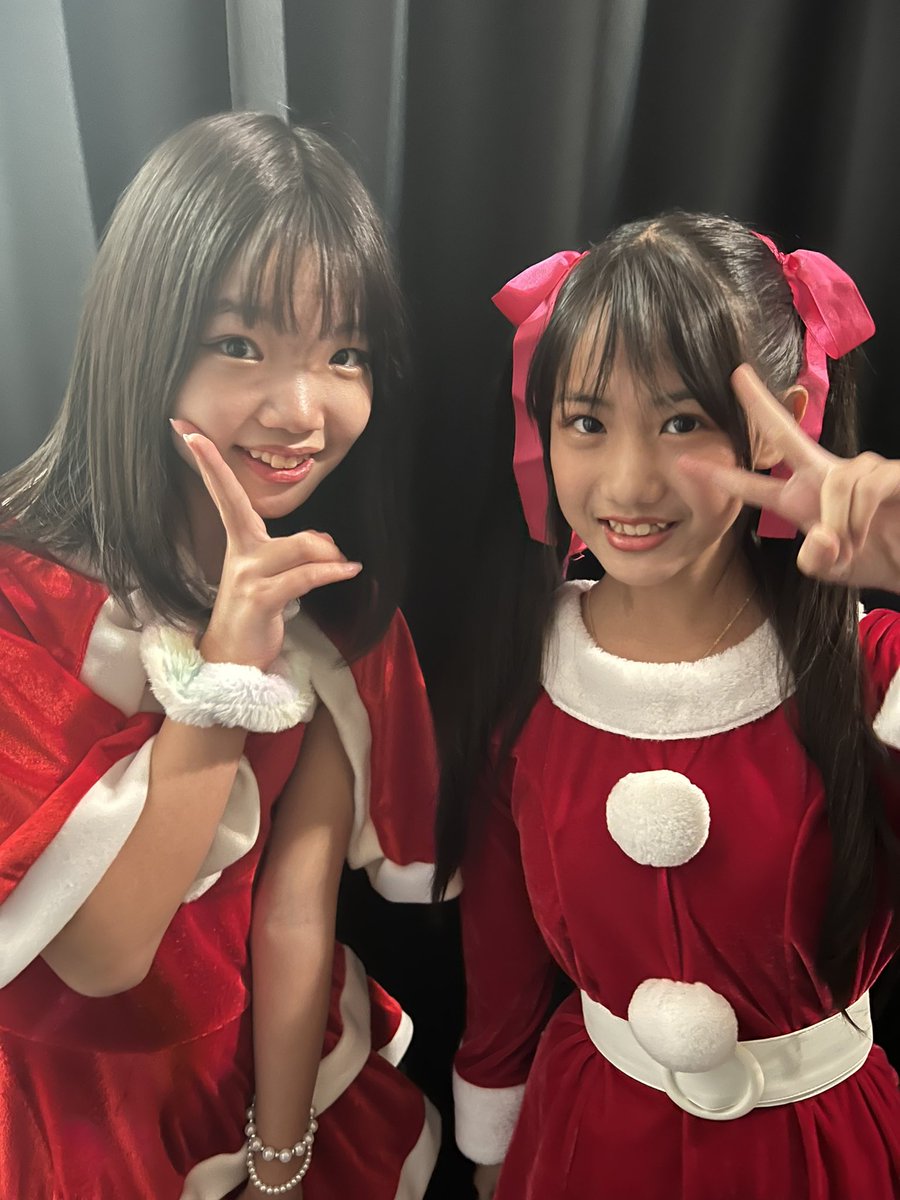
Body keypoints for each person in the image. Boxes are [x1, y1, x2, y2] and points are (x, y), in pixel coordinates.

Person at [0, 111, 446, 1200]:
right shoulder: (24, 605)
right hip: (61, 1116)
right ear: (143, 336)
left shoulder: (336, 611)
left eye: (344, 354)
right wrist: (228, 668)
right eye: (240, 344)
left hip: (248, 1076)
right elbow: (102, 955)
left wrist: (280, 1160)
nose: (302, 411)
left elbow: (296, 909)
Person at [432, 211, 900, 1198]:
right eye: (586, 421)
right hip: (580, 1140)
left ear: (780, 423)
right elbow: (503, 949)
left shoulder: (870, 675)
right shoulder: (528, 674)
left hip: (818, 1157)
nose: (629, 481)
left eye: (682, 421)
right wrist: (494, 1137)